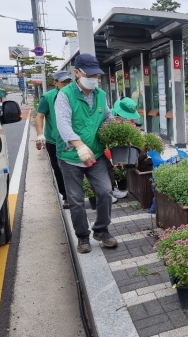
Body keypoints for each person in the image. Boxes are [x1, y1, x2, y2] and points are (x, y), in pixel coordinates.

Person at [54, 53, 118, 254]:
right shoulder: (65, 95)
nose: (93, 79)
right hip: (71, 156)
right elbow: (63, 125)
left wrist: (115, 128)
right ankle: (82, 236)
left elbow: (106, 116)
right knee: (75, 199)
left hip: (96, 153)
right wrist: (79, 145)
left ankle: (101, 230)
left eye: (96, 75)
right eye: (89, 75)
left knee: (105, 191)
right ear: (77, 73)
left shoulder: (100, 94)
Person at [35, 70, 72, 209]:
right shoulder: (48, 97)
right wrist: (40, 134)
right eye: (64, 82)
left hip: (73, 139)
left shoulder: (75, 94)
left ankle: (76, 193)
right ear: (55, 83)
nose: (67, 85)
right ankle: (67, 196)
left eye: (69, 82)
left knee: (75, 167)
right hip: (54, 141)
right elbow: (39, 116)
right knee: (59, 169)